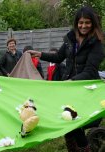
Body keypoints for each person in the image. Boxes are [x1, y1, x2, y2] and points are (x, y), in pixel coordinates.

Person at [27, 6, 104, 151]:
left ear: (93, 23)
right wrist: (40, 54)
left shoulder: (97, 43)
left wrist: (71, 81)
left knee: (76, 123)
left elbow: (90, 70)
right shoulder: (71, 38)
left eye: (87, 22)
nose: (84, 26)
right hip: (69, 89)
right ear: (76, 23)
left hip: (86, 89)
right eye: (81, 22)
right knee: (67, 120)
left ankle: (84, 149)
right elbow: (58, 57)